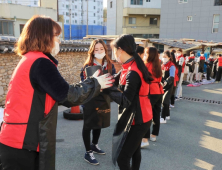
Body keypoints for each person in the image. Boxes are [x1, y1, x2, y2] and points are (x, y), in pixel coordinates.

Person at [0, 16, 114, 170]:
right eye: (56, 36)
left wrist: (90, 83)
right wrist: (96, 83)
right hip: (24, 142)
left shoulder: (30, 59)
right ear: (44, 36)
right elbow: (69, 96)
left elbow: (62, 91)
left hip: (16, 139)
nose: (59, 41)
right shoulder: (41, 62)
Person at [104, 34, 153, 170]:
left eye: (114, 51)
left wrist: (107, 90)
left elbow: (125, 101)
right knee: (135, 151)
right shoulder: (131, 64)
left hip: (138, 119)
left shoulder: (133, 71)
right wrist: (101, 81)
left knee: (122, 158)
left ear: (120, 50)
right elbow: (114, 79)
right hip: (141, 116)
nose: (114, 54)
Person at [80, 39, 116, 165]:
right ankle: (88, 152)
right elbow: (83, 83)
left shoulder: (110, 65)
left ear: (105, 51)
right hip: (90, 99)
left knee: (99, 123)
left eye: (101, 49)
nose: (99, 51)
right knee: (88, 125)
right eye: (96, 49)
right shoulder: (88, 66)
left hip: (103, 99)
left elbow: (114, 79)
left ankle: (94, 145)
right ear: (92, 51)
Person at [141, 47, 164, 147]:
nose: (144, 55)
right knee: (156, 113)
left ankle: (145, 139)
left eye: (146, 53)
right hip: (159, 89)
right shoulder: (158, 64)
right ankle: (154, 135)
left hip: (150, 90)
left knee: (147, 115)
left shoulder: (146, 65)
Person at [160, 51, 175, 124]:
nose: (164, 58)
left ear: (169, 57)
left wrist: (166, 81)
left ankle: (163, 118)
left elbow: (172, 76)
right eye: (163, 56)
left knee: (164, 101)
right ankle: (167, 115)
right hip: (163, 85)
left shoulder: (171, 66)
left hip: (169, 86)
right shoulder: (162, 65)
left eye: (165, 57)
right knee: (165, 101)